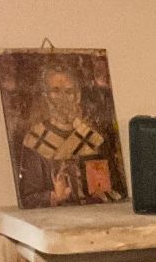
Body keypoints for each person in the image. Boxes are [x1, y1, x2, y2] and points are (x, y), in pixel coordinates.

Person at [17, 66, 125, 206]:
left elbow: (112, 191)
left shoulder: (92, 139)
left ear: (77, 96)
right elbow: (27, 198)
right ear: (46, 97)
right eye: (55, 91)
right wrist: (54, 197)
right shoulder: (35, 139)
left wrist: (100, 193)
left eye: (69, 91)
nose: (63, 98)